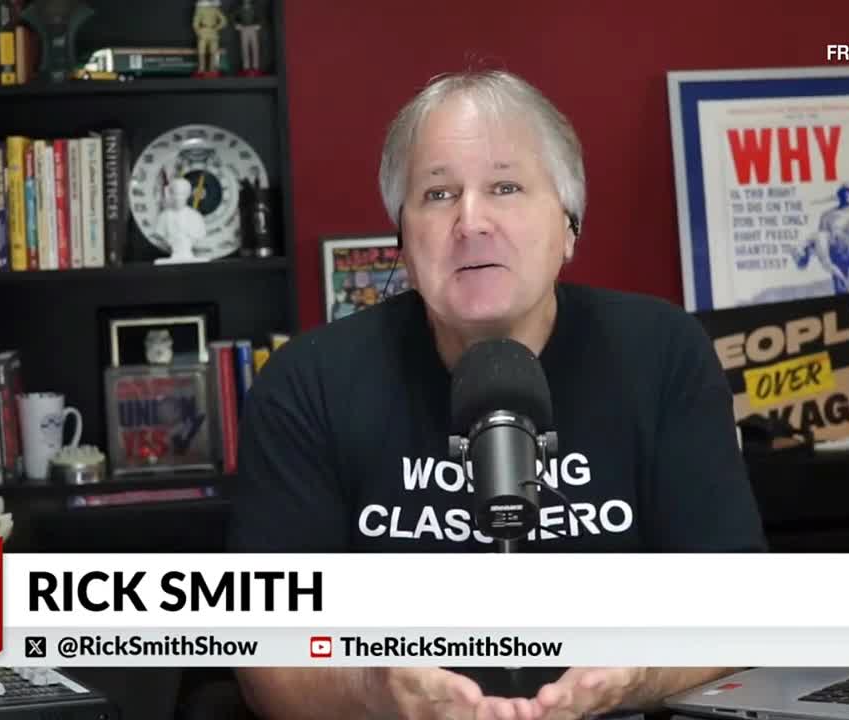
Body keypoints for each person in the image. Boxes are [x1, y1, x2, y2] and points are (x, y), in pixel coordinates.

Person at [226, 69, 767, 719]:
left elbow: (738, 610)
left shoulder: (664, 353)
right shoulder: (307, 383)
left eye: (506, 186)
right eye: (437, 193)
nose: (471, 220)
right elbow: (268, 659)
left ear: (569, 226)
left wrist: (637, 673)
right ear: (403, 237)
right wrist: (374, 692)